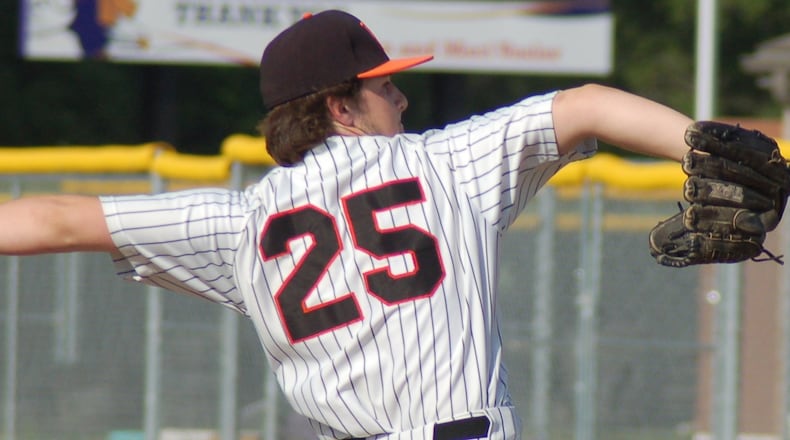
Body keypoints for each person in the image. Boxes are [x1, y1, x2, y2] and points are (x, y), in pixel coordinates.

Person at [1, 9, 692, 440]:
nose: (401, 95)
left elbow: (56, 219)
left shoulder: (244, 220)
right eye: (384, 85)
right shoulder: (441, 164)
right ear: (340, 105)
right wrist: (717, 148)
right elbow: (588, 105)